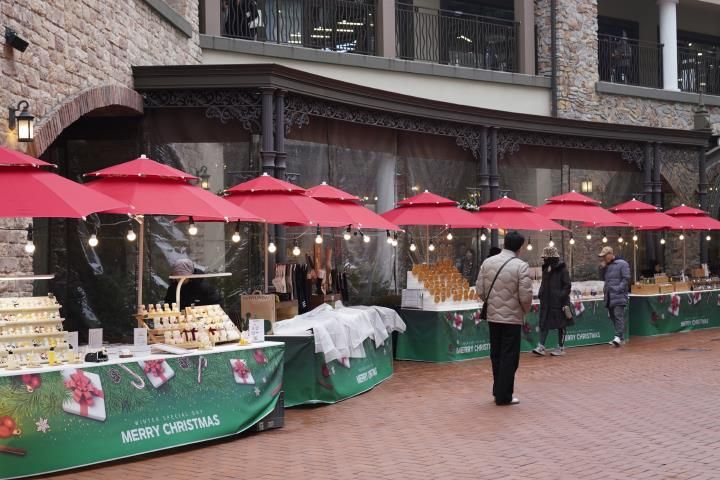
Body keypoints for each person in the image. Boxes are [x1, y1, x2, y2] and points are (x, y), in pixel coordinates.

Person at [476, 232, 533, 406]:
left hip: (493, 317)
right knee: (509, 356)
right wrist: (523, 310)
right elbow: (526, 296)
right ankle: (504, 395)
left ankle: (498, 391)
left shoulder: (488, 262)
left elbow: (480, 290)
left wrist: (493, 303)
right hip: (512, 318)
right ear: (519, 247)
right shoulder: (521, 266)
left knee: (496, 354)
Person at [532, 246, 572, 357]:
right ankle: (541, 346)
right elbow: (543, 284)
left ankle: (560, 347)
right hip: (547, 302)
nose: (544, 259)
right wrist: (541, 294)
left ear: (551, 258)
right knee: (544, 323)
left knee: (561, 324)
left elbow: (567, 286)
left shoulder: (562, 270)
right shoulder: (546, 269)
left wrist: (560, 296)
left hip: (560, 302)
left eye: (545, 257)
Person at [599, 246, 630, 347]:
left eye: (605, 256)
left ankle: (617, 337)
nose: (603, 258)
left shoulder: (622, 264)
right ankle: (621, 338)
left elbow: (626, 279)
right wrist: (602, 268)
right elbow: (602, 278)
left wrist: (618, 289)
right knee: (613, 317)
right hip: (609, 295)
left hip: (619, 295)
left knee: (618, 316)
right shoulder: (607, 266)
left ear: (610, 254)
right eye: (603, 256)